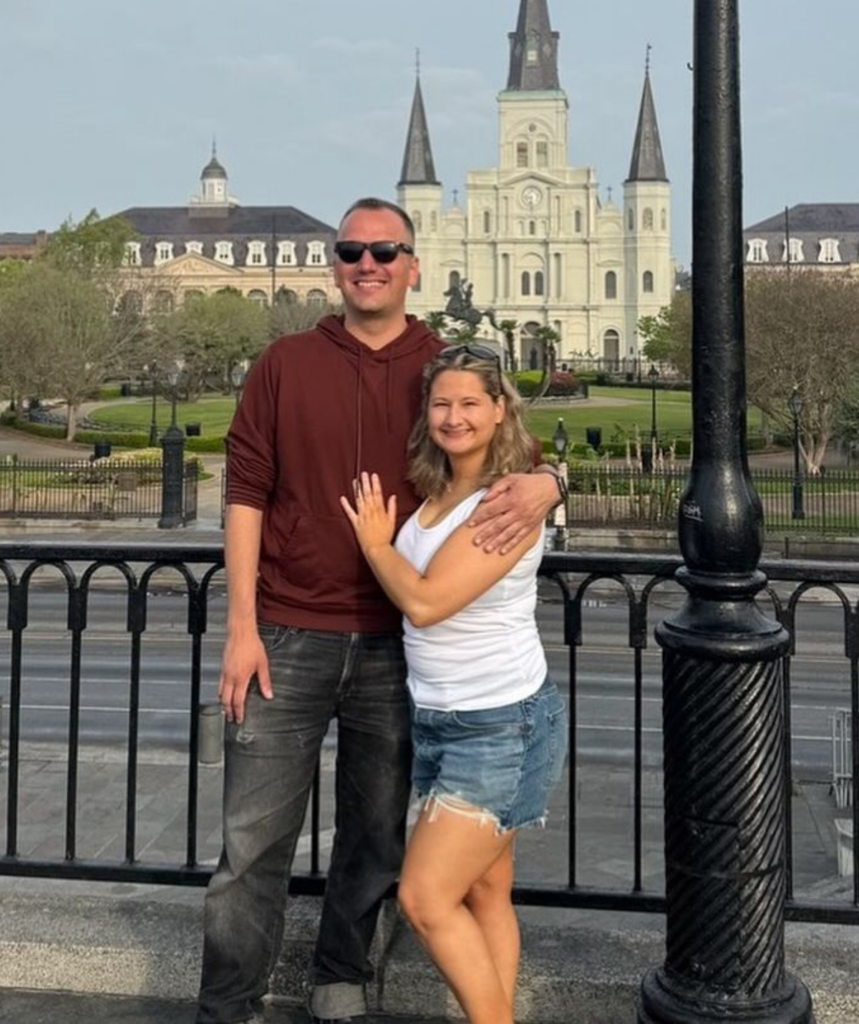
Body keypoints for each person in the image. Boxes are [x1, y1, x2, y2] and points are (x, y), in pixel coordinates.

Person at [196, 197, 562, 1024]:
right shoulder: (286, 362)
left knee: (374, 839)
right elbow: (246, 491)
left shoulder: (442, 368)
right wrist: (243, 626)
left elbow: (514, 457)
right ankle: (226, 1006)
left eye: (385, 250)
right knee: (251, 845)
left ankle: (342, 979)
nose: (368, 264)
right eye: (353, 251)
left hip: (398, 647)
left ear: (412, 265)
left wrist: (554, 481)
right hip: (286, 634)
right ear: (336, 264)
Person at [341, 344, 568, 1024]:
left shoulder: (503, 502)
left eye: (471, 402)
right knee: (484, 895)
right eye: (441, 403)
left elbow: (427, 603)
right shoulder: (442, 490)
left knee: (425, 898)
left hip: (498, 726)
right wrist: (555, 476)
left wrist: (377, 545)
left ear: (501, 411)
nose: (453, 416)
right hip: (444, 721)